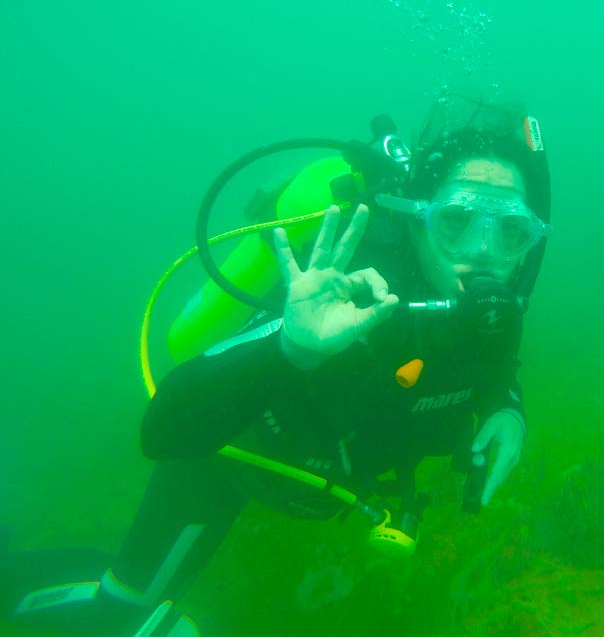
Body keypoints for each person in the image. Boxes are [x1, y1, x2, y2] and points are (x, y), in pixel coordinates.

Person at [1, 97, 551, 637]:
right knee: (118, 614)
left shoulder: (496, 308)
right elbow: (164, 430)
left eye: (511, 229)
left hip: (322, 483)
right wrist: (291, 348)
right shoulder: (345, 289)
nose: (485, 251)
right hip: (227, 466)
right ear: (415, 218)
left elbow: (498, 366)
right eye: (456, 219)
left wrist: (508, 407)